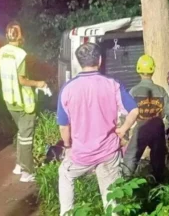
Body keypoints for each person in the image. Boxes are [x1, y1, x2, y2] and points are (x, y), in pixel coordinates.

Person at [57, 43, 138, 216]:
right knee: (111, 197)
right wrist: (123, 129)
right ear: (100, 60)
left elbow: (64, 126)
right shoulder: (112, 84)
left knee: (65, 173)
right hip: (109, 151)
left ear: (79, 63)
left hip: (82, 154)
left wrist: (67, 146)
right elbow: (134, 110)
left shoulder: (68, 89)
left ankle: (67, 213)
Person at [0, 21, 47, 182]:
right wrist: (39, 83)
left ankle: (19, 165)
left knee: (21, 133)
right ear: (21, 36)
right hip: (23, 102)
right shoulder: (20, 54)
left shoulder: (2, 51)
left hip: (9, 100)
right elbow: (22, 80)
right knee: (27, 136)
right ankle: (27, 172)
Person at [122, 54, 169, 183]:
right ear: (153, 70)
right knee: (158, 158)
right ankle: (158, 183)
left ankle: (125, 182)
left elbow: (126, 113)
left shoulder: (133, 92)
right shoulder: (161, 91)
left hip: (141, 128)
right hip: (158, 127)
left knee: (131, 156)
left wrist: (126, 132)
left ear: (138, 70)